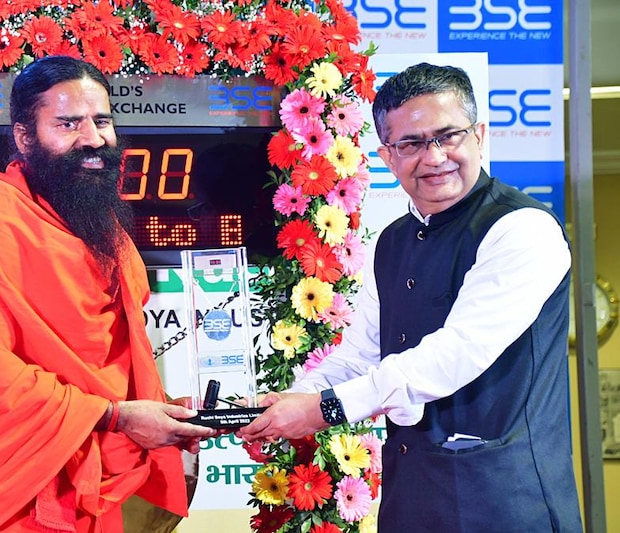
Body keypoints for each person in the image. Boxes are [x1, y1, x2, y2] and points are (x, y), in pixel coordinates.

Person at [239, 63, 584, 532]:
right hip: (412, 501)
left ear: (479, 135)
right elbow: (361, 355)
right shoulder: (393, 240)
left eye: (449, 136)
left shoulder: (522, 228)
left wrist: (321, 409)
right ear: (387, 156)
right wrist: (289, 401)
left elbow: (454, 355)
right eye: (412, 144)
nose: (435, 157)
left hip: (506, 503)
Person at [0, 55, 215, 532]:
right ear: (25, 136)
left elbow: (106, 364)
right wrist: (117, 416)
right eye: (68, 124)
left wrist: (162, 410)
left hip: (104, 467)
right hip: (15, 490)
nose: (92, 139)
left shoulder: (100, 226)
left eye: (101, 121)